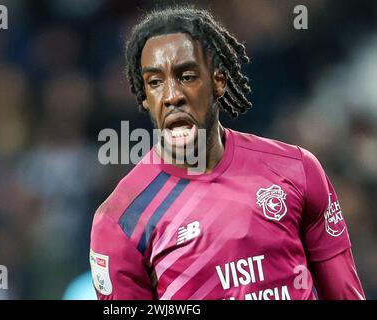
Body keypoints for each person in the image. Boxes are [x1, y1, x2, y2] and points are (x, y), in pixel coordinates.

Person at [89, 6, 365, 300]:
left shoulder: (297, 169)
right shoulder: (120, 220)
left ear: (218, 81)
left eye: (187, 76)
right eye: (155, 82)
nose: (172, 96)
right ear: (144, 97)